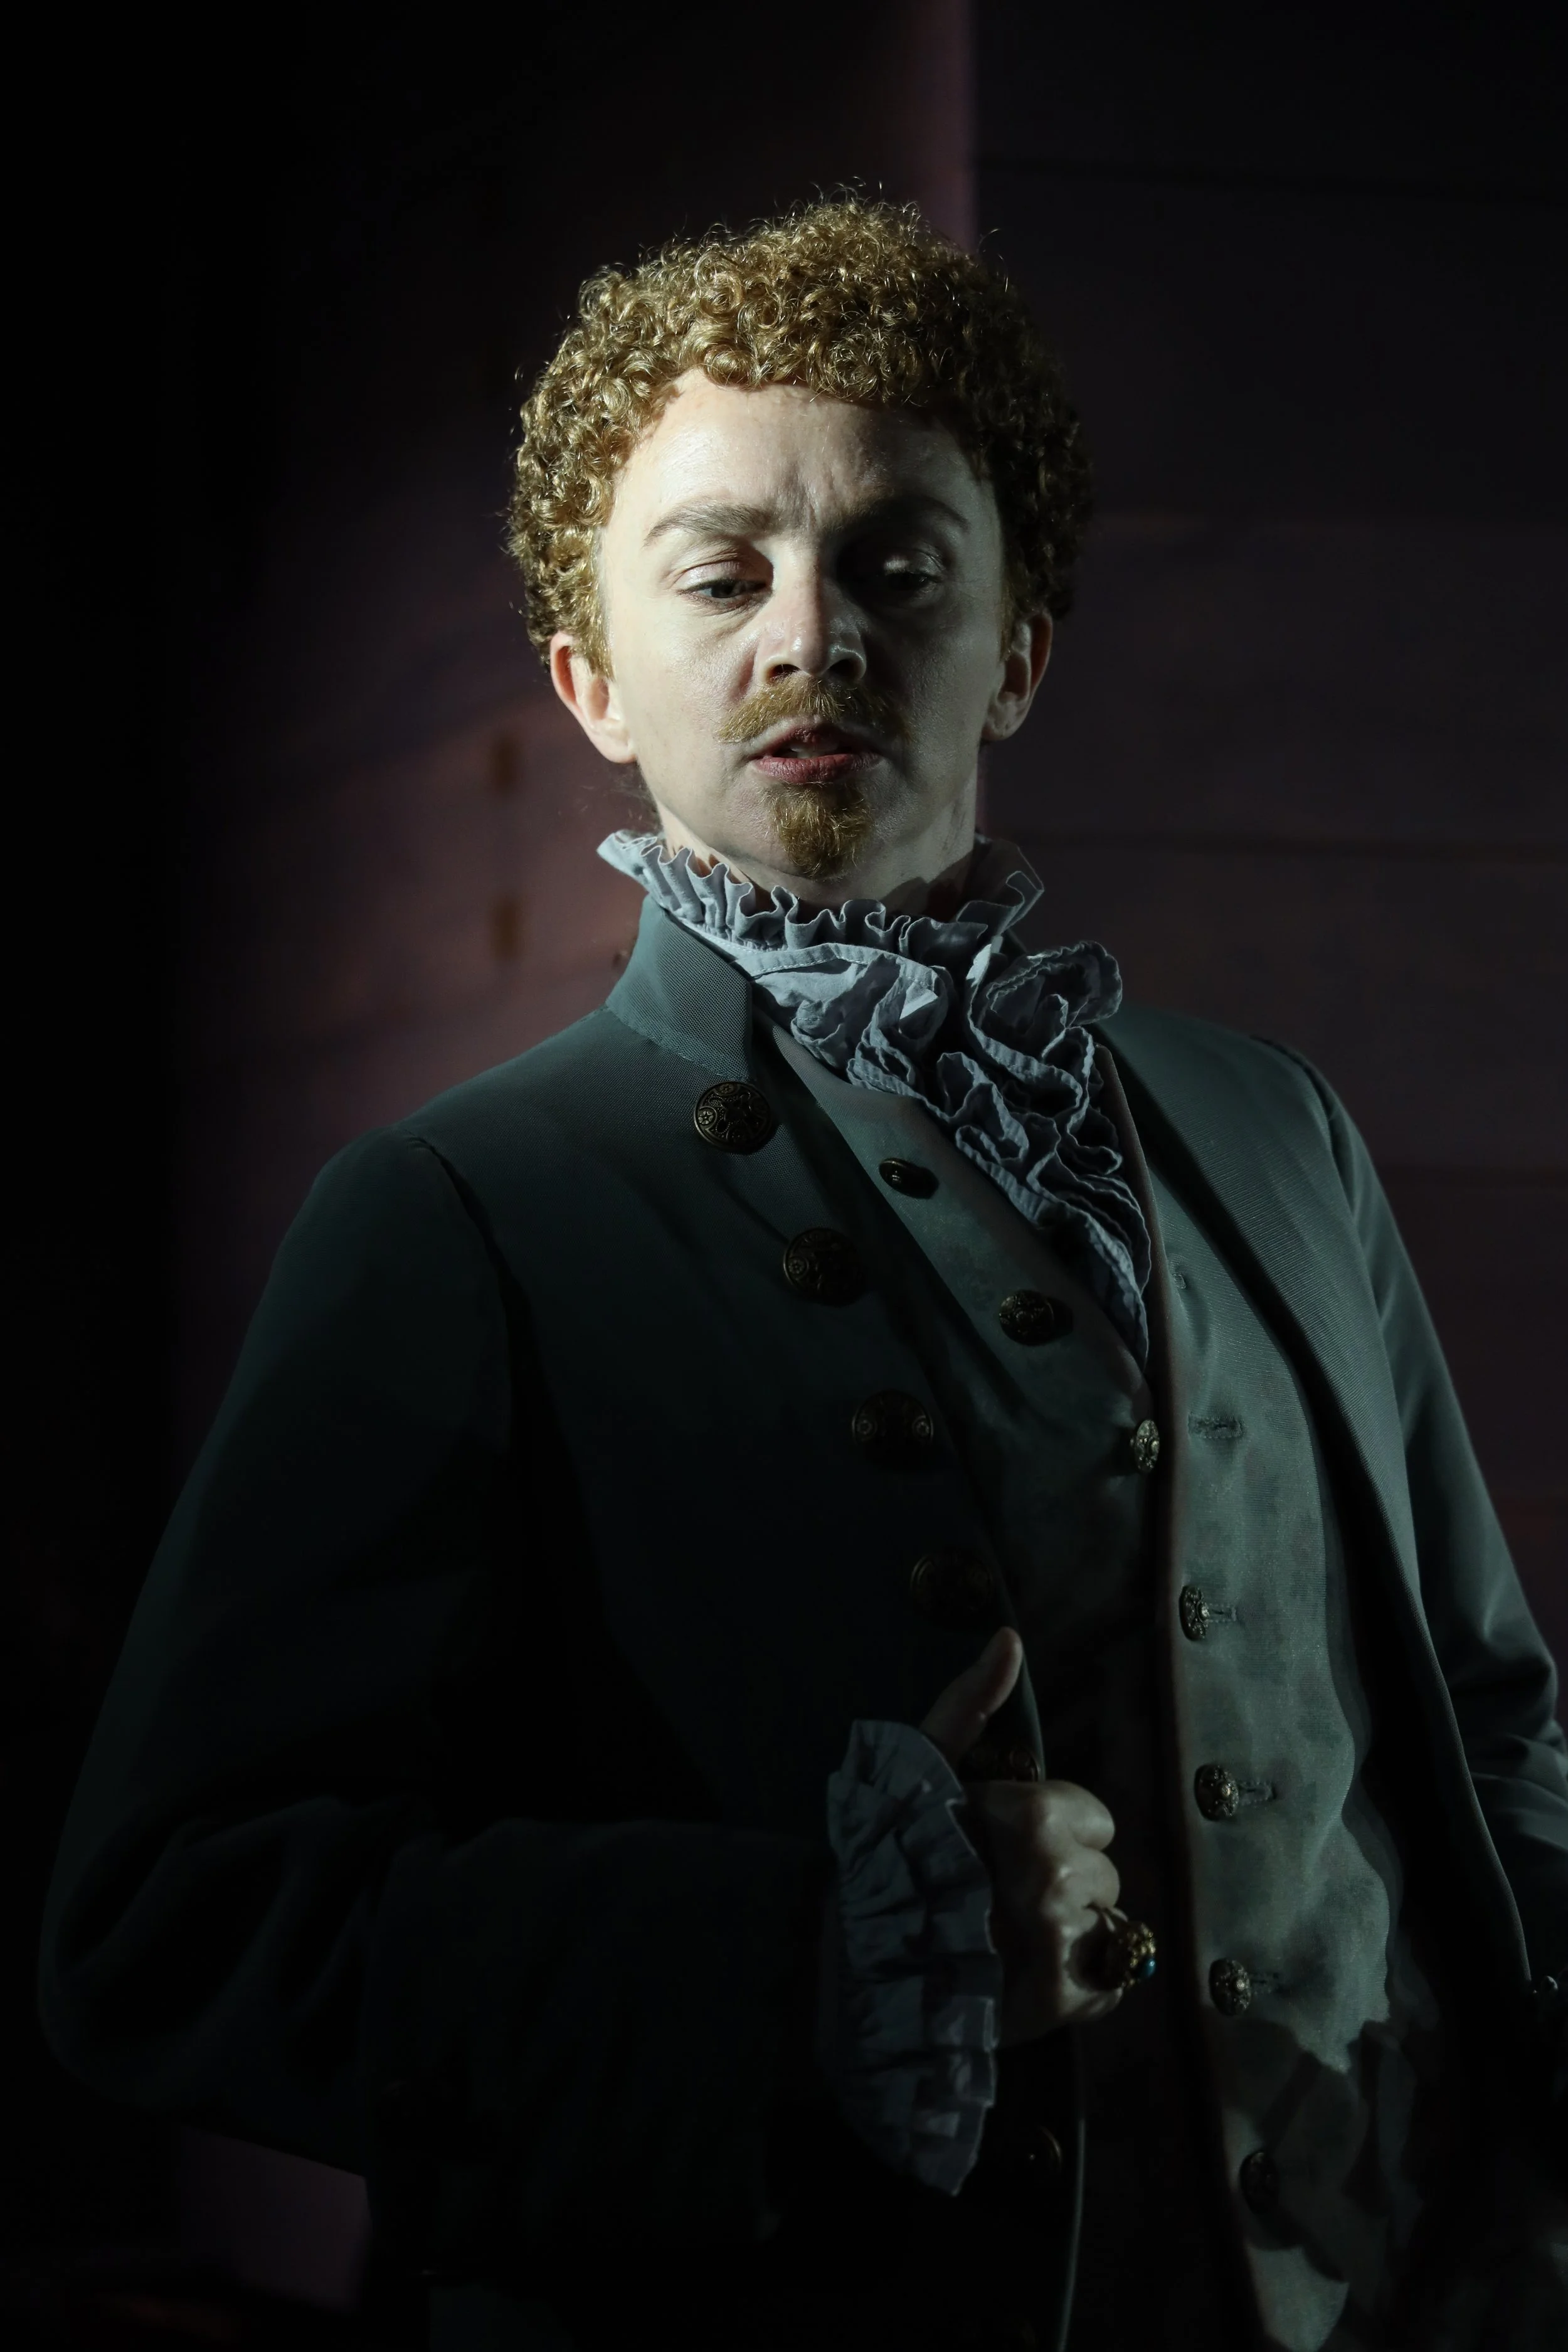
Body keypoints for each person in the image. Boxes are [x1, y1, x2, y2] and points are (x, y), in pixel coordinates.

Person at [40, 199, 1567, 2351]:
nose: (811, 633)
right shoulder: (454, 1208)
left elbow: (1486, 1717)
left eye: (896, 563)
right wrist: (812, 1953)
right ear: (588, 681)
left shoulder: (1267, 1121)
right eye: (719, 572)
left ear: (1015, 648)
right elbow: (170, 1927)